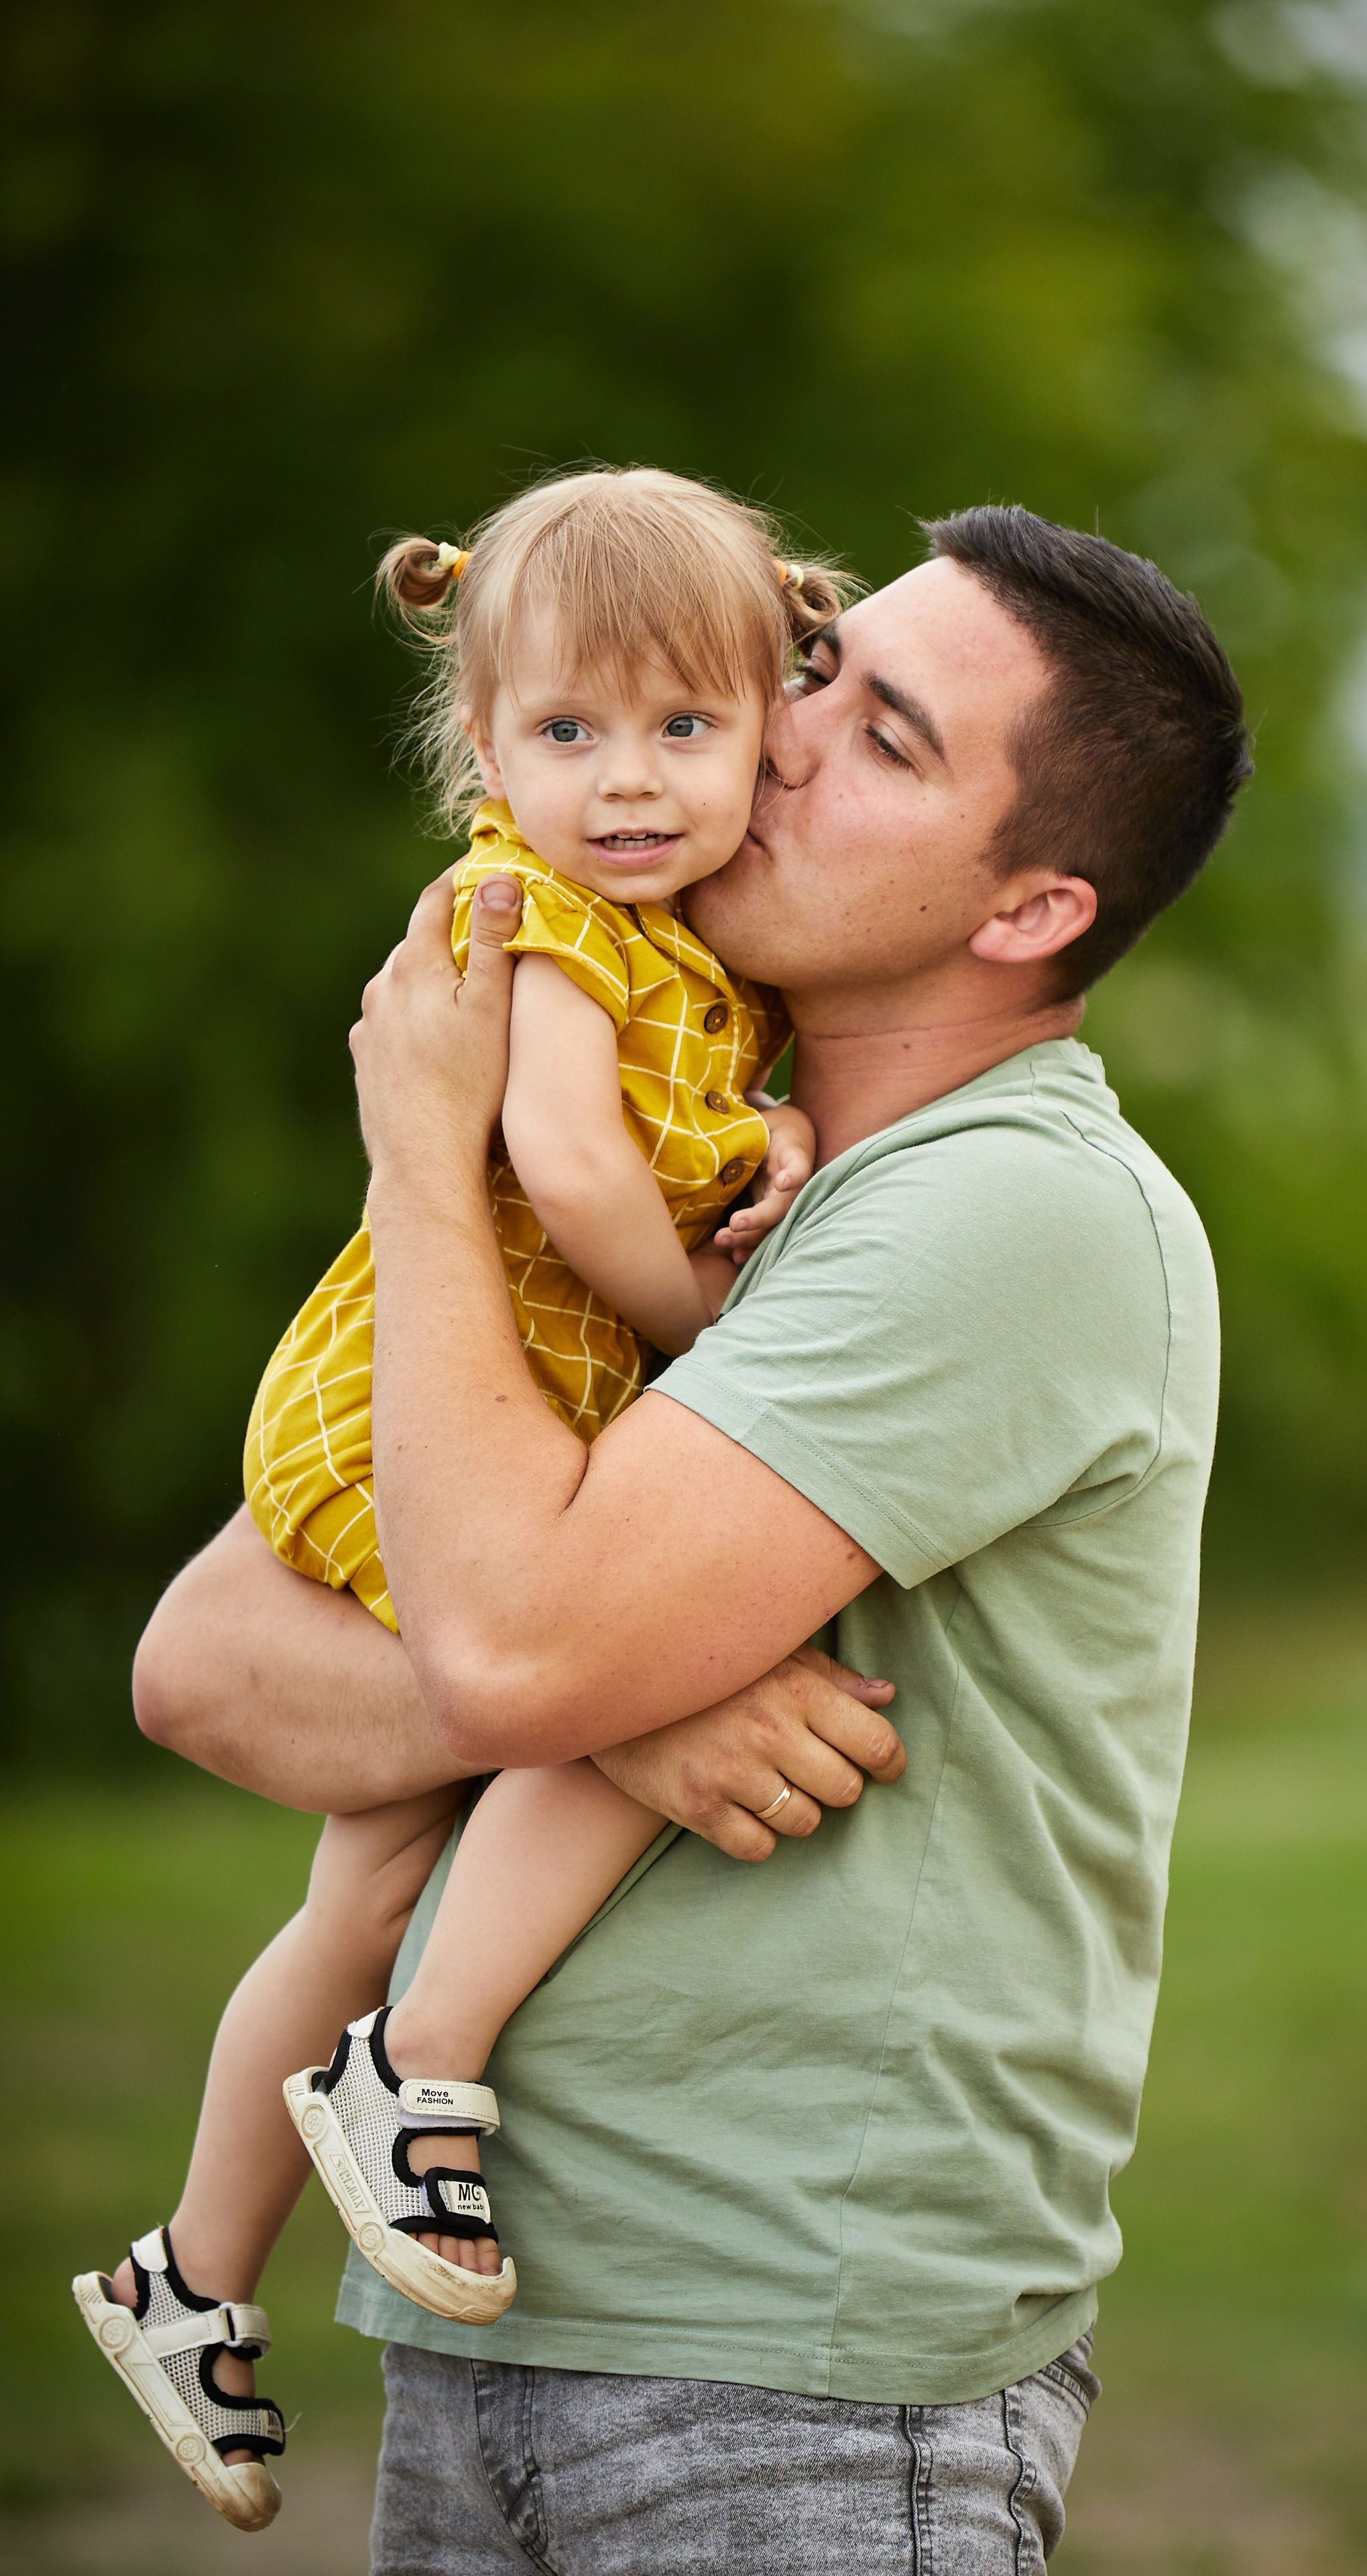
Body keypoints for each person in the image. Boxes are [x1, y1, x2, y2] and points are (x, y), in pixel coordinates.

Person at [133, 502, 1247, 2573]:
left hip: (789, 2374)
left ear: (1030, 910)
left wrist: (420, 1160)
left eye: (889, 737)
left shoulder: (1005, 1211)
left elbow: (506, 1657)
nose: (781, 732)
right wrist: (643, 1711)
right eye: (823, 669)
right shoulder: (715, 1164)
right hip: (492, 2322)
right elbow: (209, 1660)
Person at [73, 467, 866, 2528]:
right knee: (624, 1690)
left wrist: (772, 1134)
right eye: (566, 733)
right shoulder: (538, 921)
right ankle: (411, 2070)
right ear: (483, 741)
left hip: (485, 1403)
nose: (626, 781)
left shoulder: (699, 954)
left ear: (767, 722)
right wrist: (705, 1314)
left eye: (684, 730)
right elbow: (581, 1171)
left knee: (361, 1866)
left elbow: (691, 1127)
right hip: (382, 1418)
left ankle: (190, 2271)